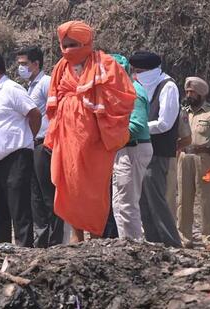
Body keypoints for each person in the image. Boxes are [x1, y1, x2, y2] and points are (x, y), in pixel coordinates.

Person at [44, 21, 135, 242]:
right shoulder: (61, 67)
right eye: (63, 45)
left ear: (86, 43)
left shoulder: (106, 64)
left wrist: (96, 102)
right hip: (67, 139)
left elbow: (124, 98)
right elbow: (53, 102)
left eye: (73, 45)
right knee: (71, 186)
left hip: (96, 141)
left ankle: (96, 236)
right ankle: (76, 236)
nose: (67, 50)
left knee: (94, 190)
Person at [0, 51, 42, 247]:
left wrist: (28, 139)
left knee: (19, 207)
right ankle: (1, 248)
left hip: (15, 158)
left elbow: (34, 114)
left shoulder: (12, 89)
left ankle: (23, 249)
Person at [129, 51, 182, 247]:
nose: (136, 75)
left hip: (159, 152)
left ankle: (171, 242)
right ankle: (154, 243)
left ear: (151, 70)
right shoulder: (144, 88)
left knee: (157, 199)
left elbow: (165, 123)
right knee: (143, 201)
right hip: (143, 151)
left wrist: (138, 127)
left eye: (140, 71)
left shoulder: (168, 87)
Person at [16, 46, 65, 248]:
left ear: (36, 64)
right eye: (19, 64)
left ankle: (54, 240)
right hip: (33, 145)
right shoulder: (29, 87)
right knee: (35, 196)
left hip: (46, 144)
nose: (21, 68)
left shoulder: (46, 83)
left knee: (48, 194)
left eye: (24, 64)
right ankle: (41, 239)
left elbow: (58, 112)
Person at [109, 54, 153, 240]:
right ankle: (125, 245)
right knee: (118, 203)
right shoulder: (122, 91)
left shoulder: (133, 92)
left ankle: (134, 246)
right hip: (124, 149)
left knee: (127, 204)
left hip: (132, 148)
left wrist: (110, 135)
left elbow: (137, 125)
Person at [178, 77, 210, 251]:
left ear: (201, 93)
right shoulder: (183, 112)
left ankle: (208, 239)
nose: (188, 94)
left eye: (192, 92)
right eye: (187, 91)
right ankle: (184, 237)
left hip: (205, 160)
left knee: (206, 199)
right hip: (185, 158)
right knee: (184, 199)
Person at [166, 107, 192, 221]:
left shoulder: (178, 110)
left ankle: (169, 230)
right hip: (142, 156)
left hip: (166, 158)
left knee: (168, 195)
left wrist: (170, 147)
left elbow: (187, 139)